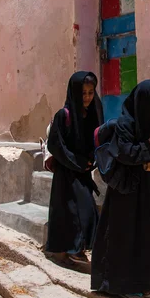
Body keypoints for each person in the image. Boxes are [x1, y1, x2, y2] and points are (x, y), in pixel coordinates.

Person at [91, 80, 150, 298]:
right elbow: (125, 154)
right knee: (124, 238)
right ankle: (119, 286)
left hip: (147, 190)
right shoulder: (125, 125)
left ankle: (142, 282)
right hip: (126, 192)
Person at [45, 71, 104, 264]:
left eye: (90, 92)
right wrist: (76, 161)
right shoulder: (64, 115)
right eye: (83, 93)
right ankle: (74, 250)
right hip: (67, 171)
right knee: (73, 210)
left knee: (82, 210)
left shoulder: (93, 111)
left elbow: (97, 137)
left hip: (82, 171)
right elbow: (55, 145)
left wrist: (91, 160)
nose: (87, 97)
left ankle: (76, 249)